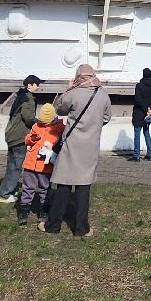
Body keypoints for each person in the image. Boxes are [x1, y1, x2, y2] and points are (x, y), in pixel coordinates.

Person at [41, 63, 113, 238]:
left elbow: (59, 108)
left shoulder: (73, 94)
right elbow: (106, 117)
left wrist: (69, 88)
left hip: (71, 144)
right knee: (83, 186)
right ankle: (81, 228)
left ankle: (53, 224)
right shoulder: (103, 94)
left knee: (64, 184)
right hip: (90, 146)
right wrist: (92, 126)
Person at [0, 75, 41, 203]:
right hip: (19, 136)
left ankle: (8, 191)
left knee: (11, 165)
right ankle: (3, 194)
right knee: (16, 167)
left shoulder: (21, 96)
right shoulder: (28, 99)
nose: (38, 86)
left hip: (11, 135)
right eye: (36, 84)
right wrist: (40, 123)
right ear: (29, 85)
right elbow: (29, 118)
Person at [18, 103, 64, 225]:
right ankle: (24, 211)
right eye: (42, 122)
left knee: (45, 188)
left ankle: (44, 211)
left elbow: (62, 143)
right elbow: (27, 139)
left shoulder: (60, 127)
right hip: (30, 163)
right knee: (27, 188)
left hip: (46, 165)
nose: (44, 125)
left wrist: (53, 146)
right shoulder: (36, 125)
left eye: (46, 123)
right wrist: (31, 138)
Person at [131, 67, 151, 162]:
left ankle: (136, 155)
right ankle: (149, 154)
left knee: (137, 134)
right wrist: (150, 109)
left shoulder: (139, 86)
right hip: (149, 114)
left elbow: (138, 99)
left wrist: (146, 108)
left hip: (139, 113)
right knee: (146, 133)